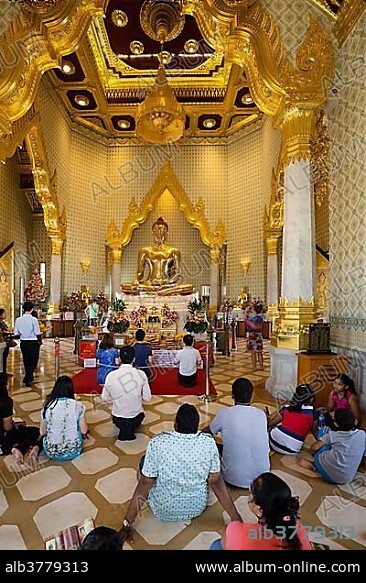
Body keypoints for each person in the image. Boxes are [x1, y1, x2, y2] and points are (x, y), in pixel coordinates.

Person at [119, 404, 242, 541]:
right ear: (196, 426)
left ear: (175, 424)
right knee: (208, 472)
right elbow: (216, 483)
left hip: (161, 510)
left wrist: (127, 523)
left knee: (144, 464)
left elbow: (144, 484)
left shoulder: (158, 442)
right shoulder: (208, 443)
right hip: (196, 508)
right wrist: (236, 518)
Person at [210, 472, 312, 550]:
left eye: (250, 493)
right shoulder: (300, 530)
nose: (248, 496)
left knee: (216, 546)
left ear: (259, 510)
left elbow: (225, 542)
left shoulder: (237, 531)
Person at [204, 378, 270, 488]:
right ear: (252, 395)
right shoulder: (261, 414)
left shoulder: (225, 413)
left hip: (232, 478)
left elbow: (208, 432)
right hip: (262, 478)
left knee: (212, 445)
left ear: (232, 395)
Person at [121, 216, 193, 296]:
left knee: (189, 287)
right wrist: (136, 282)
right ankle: (159, 292)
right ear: (153, 231)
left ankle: (161, 291)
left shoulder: (174, 251)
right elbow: (139, 274)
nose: (160, 231)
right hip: (149, 284)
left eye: (163, 229)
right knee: (125, 287)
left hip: (167, 285)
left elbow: (177, 274)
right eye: (157, 229)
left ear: (167, 232)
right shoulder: (145, 250)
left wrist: (167, 282)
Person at [29, 376, 88, 464]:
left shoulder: (48, 406)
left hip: (51, 452)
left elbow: (42, 432)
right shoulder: (77, 405)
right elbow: (84, 431)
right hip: (73, 451)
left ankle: (36, 449)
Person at [298, 409, 366, 484]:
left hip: (328, 475)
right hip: (347, 479)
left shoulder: (333, 435)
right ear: (354, 421)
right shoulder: (362, 434)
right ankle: (322, 465)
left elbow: (314, 448)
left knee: (324, 431)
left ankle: (316, 465)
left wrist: (313, 454)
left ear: (336, 424)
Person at [101, 345, 151, 441]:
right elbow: (147, 398)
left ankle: (124, 427)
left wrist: (116, 398)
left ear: (119, 359)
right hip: (136, 418)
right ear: (134, 359)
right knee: (137, 414)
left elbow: (105, 398)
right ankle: (130, 427)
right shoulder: (141, 374)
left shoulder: (111, 376)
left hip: (118, 418)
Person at [0, 373, 40, 463]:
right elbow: (7, 427)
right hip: (3, 439)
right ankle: (16, 449)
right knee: (34, 431)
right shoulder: (5, 401)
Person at [268, 384, 317, 455]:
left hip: (274, 443)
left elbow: (270, 423)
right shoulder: (313, 412)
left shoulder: (287, 408)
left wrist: (266, 417)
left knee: (276, 425)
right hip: (293, 450)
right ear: (311, 399)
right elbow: (314, 431)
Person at [13, 301, 42, 387]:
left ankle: (28, 376)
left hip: (23, 342)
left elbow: (16, 333)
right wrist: (40, 339)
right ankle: (28, 377)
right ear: (32, 309)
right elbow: (37, 332)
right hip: (33, 342)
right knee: (33, 361)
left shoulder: (18, 320)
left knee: (26, 360)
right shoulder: (34, 320)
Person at [245, 303, 264, 371]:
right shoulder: (260, 318)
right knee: (259, 351)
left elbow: (247, 323)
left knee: (253, 352)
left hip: (252, 336)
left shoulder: (252, 319)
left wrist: (246, 313)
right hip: (259, 335)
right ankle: (261, 366)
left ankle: (254, 367)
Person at [0, 308, 10, 374]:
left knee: (4, 357)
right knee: (2, 358)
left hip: (6, 342)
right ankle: (2, 372)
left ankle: (4, 371)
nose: (5, 315)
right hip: (1, 342)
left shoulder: (2, 322)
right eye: (4, 313)